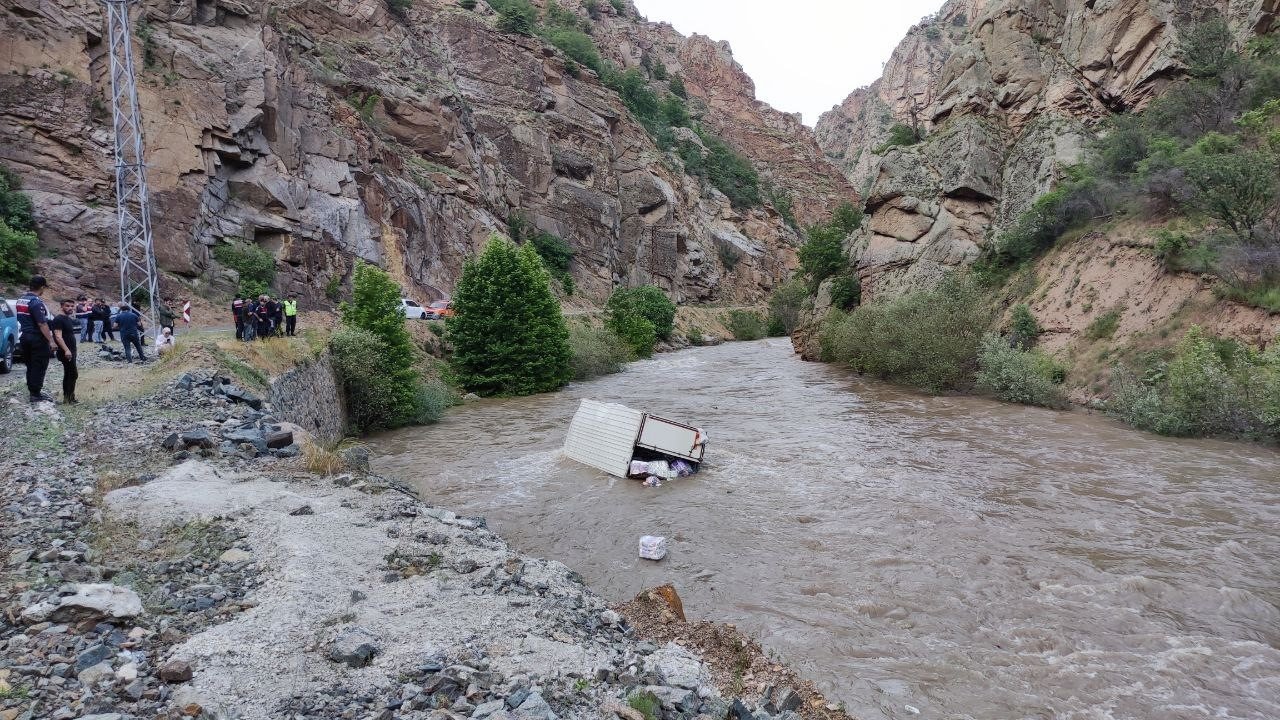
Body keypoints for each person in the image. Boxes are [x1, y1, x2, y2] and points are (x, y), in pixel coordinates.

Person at [15, 275, 57, 403]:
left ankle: (32, 390)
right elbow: (42, 324)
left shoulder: (21, 300)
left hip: (24, 336)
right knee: (39, 365)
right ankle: (35, 394)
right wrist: (51, 340)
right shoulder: (36, 302)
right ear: (42, 287)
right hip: (36, 338)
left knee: (30, 364)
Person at [50, 299, 79, 404]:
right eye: (67, 306)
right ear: (61, 306)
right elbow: (58, 336)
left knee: (69, 374)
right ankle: (68, 398)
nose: (70, 308)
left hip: (71, 350)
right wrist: (66, 350)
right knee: (72, 373)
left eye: (72, 306)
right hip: (66, 352)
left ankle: (69, 398)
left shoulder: (67, 318)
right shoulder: (58, 319)